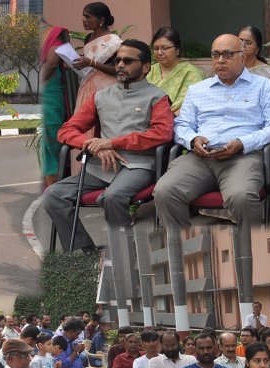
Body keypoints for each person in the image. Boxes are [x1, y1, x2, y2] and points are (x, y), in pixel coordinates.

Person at [43, 40, 174, 254]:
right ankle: (85, 251)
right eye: (118, 60)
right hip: (100, 166)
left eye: (128, 61)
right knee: (53, 195)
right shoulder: (101, 96)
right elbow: (66, 131)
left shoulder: (157, 97)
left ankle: (126, 254)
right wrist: (92, 145)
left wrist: (112, 143)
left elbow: (162, 134)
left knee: (114, 197)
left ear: (146, 67)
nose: (121, 65)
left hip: (138, 166)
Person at [153, 33, 270, 229]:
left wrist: (242, 143)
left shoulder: (264, 87)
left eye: (228, 54)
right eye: (215, 55)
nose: (220, 60)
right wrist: (192, 139)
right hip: (200, 158)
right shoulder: (198, 90)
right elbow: (182, 124)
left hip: (242, 157)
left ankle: (252, 251)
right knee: (165, 191)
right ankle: (183, 250)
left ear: (243, 57)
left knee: (241, 196)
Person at [39, 26, 79, 188]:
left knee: (54, 138)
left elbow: (52, 62)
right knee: (47, 140)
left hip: (51, 91)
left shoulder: (54, 32)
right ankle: (51, 184)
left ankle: (58, 183)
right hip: (47, 92)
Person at [72, 2, 121, 110]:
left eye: (88, 17)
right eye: (83, 16)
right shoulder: (89, 38)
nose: (83, 20)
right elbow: (88, 61)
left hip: (106, 90)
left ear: (102, 20)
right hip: (87, 88)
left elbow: (117, 70)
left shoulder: (114, 41)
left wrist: (91, 63)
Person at [148, 27, 205, 115]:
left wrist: (165, 119)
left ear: (177, 50)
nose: (159, 52)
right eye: (156, 48)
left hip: (179, 122)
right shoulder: (148, 71)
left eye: (165, 48)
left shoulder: (191, 73)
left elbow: (190, 106)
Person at [238, 25, 270, 99]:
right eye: (240, 41)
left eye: (248, 43)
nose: (243, 45)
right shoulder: (227, 69)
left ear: (257, 48)